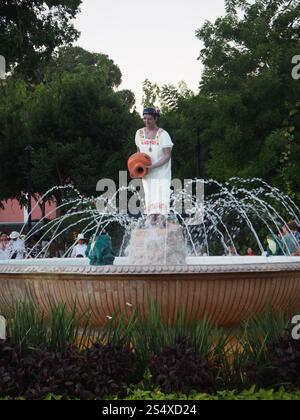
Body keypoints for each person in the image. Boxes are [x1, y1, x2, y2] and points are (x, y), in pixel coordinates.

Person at [135, 107, 174, 227]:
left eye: (150, 119)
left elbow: (167, 155)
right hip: (147, 172)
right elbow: (138, 153)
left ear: (155, 118)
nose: (147, 121)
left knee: (161, 194)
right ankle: (151, 219)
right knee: (149, 194)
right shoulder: (139, 133)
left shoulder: (163, 134)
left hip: (161, 171)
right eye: (145, 118)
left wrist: (152, 166)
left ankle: (161, 220)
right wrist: (137, 165)